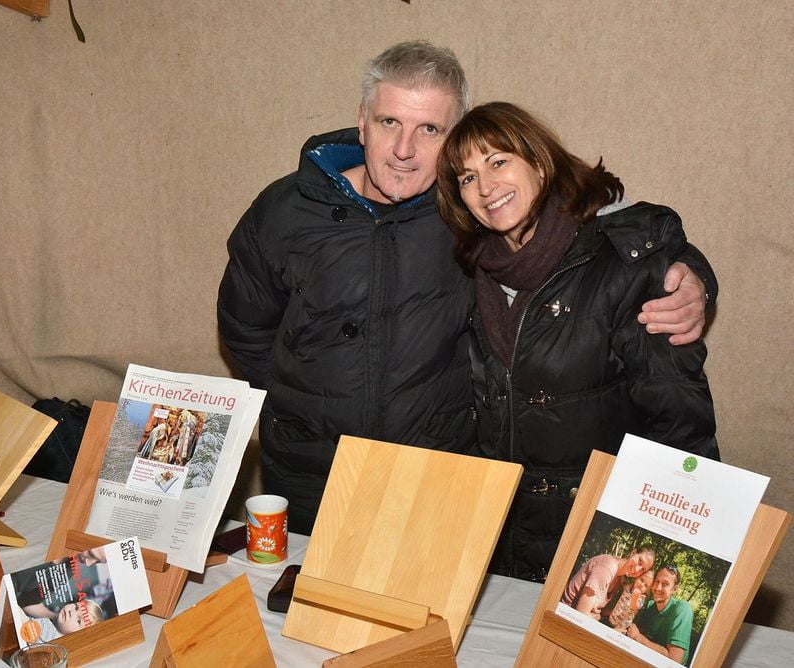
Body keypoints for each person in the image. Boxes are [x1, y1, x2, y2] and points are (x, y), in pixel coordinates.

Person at [217, 41, 714, 536]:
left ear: (452, 140)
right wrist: (304, 412)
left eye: (429, 129)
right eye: (390, 122)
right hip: (311, 477)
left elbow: (598, 221)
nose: (405, 149)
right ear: (362, 121)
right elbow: (244, 328)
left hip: (437, 480)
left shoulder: (470, 214)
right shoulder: (284, 211)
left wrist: (689, 274)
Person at [436, 102, 720, 580]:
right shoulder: (472, 270)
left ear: (539, 161)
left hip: (597, 539)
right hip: (499, 540)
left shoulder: (620, 262)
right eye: (467, 177)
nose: (485, 187)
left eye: (498, 161)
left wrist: (674, 550)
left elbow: (678, 418)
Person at [561, 547, 656, 619]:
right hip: (566, 616)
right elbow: (581, 614)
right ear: (633, 552)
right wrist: (597, 618)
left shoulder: (620, 578)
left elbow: (598, 608)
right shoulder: (607, 568)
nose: (637, 569)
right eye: (640, 561)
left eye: (642, 569)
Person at [627, 565, 694, 664]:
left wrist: (638, 637)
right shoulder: (650, 606)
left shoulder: (682, 609)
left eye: (665, 584)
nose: (658, 588)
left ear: (674, 589)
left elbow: (674, 660)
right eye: (657, 581)